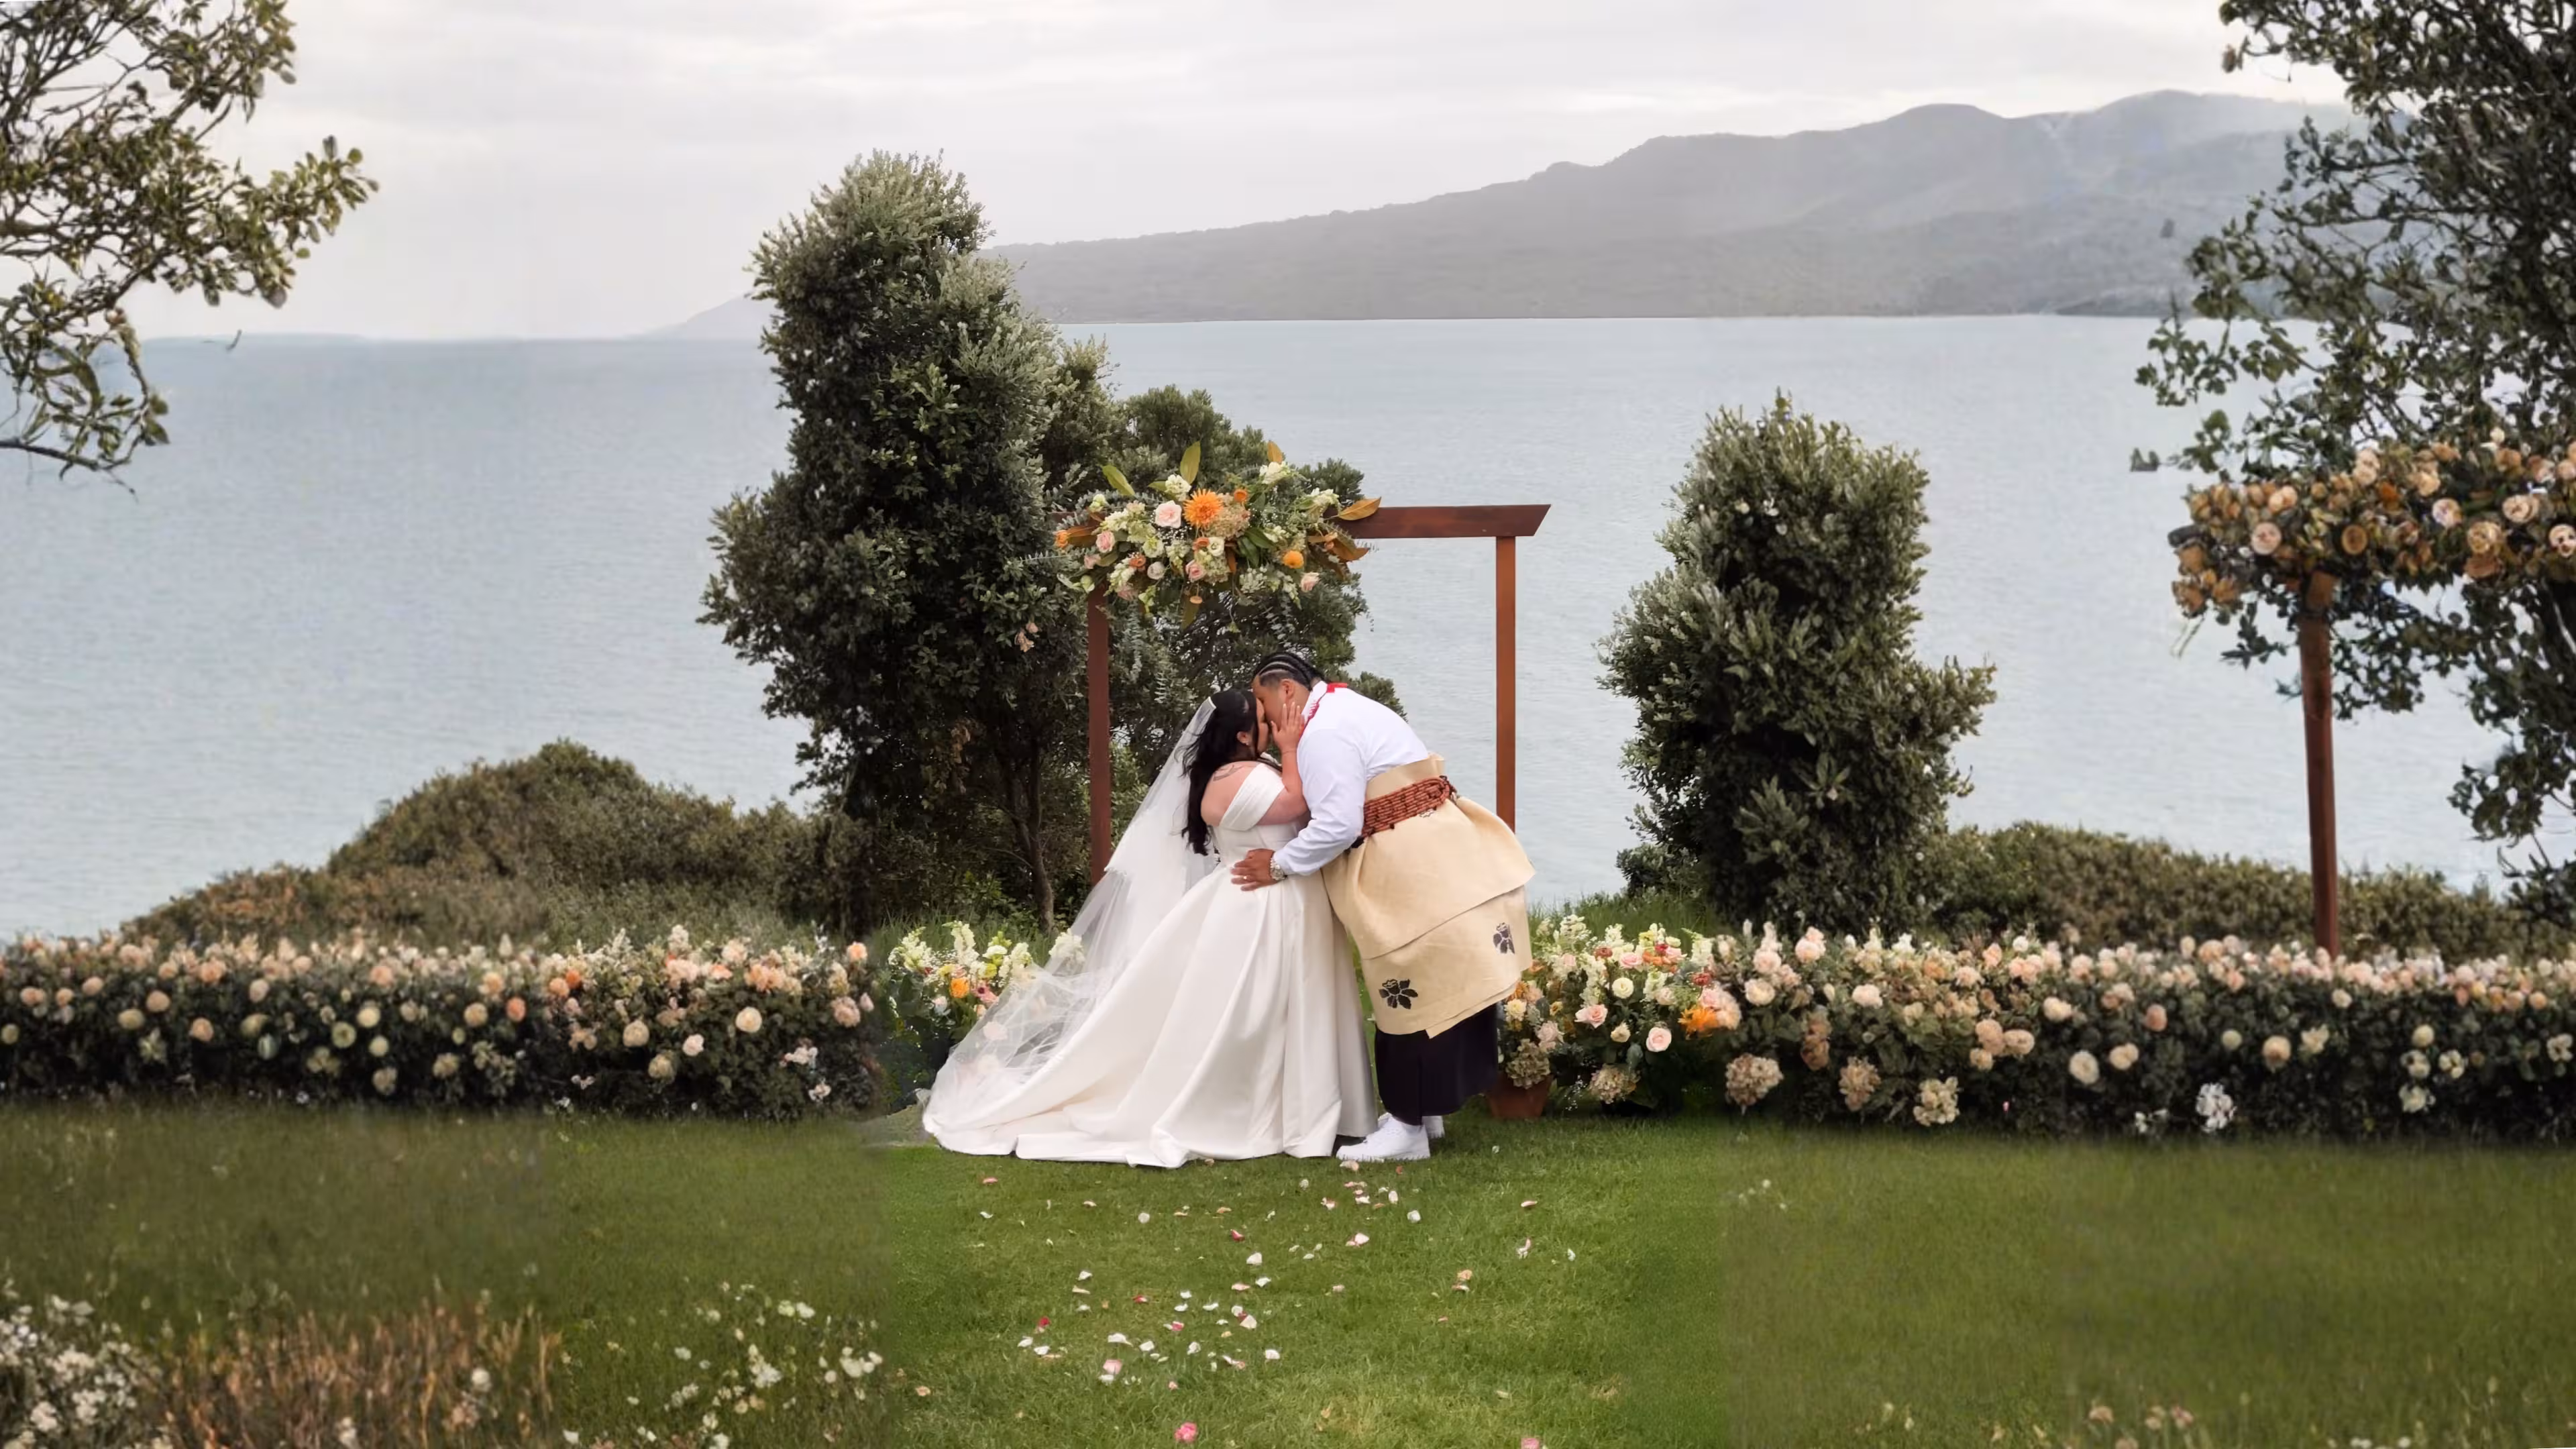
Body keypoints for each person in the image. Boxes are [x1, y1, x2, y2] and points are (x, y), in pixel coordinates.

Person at [920, 690, 1375, 1166]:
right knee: (1255, 1012)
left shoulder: (1242, 769)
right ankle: (1263, 1110)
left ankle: (1298, 1107)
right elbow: (1297, 807)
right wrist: (1292, 746)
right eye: (1265, 720)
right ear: (1242, 736)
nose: (1276, 724)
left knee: (1286, 1008)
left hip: (1279, 902)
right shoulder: (1233, 778)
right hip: (1259, 909)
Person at [1234, 651, 1533, 1163]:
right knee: (1440, 981)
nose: (1261, 716)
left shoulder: (1324, 734)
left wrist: (1279, 864)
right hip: (1437, 851)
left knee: (1409, 987)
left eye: (1262, 701)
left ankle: (1408, 1127)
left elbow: (1338, 825)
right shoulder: (1350, 707)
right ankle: (1427, 1112)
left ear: (1286, 692)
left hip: (1408, 867)